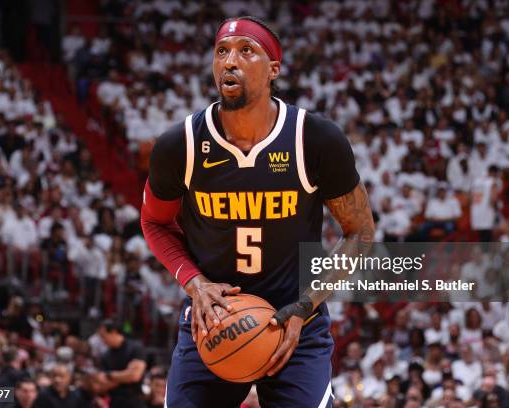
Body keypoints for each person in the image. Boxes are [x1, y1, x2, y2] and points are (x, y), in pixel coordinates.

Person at [141, 15, 374, 407]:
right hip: (214, 323)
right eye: (221, 52)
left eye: (246, 51)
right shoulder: (180, 145)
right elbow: (154, 222)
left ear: (273, 70)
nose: (230, 61)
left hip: (296, 322)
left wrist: (303, 308)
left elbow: (360, 233)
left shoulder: (314, 139)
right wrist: (194, 284)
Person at [84, 319, 147, 408]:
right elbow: (102, 384)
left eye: (103, 336)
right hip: (115, 403)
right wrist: (126, 374)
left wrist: (109, 375)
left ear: (113, 332)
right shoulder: (105, 356)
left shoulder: (135, 348)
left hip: (135, 402)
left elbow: (134, 376)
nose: (102, 340)